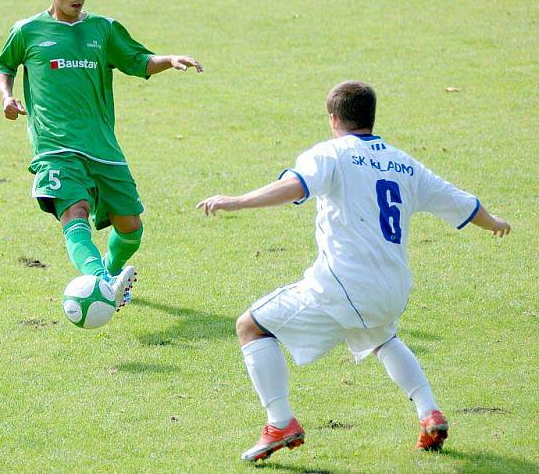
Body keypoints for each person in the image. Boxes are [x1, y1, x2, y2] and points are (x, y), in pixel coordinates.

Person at [197, 81, 511, 461]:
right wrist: (493, 221)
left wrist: (237, 201)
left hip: (343, 286)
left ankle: (280, 423)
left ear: (333, 119)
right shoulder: (403, 163)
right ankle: (429, 412)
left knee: (251, 326)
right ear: (371, 117)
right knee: (382, 337)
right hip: (393, 289)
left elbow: (295, 185)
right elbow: (461, 201)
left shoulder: (330, 153)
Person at [0, 0, 202, 305]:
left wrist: (169, 59)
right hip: (55, 146)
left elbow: (137, 60)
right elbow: (4, 66)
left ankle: (108, 270)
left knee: (131, 229)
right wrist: (6, 97)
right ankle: (101, 282)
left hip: (102, 145)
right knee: (74, 212)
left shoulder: (102, 29)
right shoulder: (27, 31)